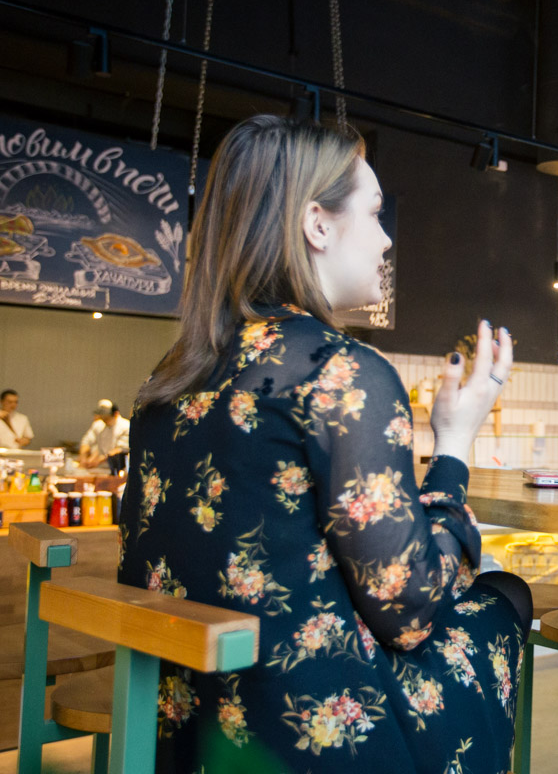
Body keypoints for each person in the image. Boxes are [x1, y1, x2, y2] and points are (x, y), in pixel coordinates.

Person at [118, 115, 532, 773]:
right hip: (313, 737)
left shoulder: (172, 378)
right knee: (506, 596)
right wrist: (453, 447)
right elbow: (411, 611)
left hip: (189, 732)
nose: (388, 240)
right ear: (317, 225)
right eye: (373, 213)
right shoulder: (341, 373)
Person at [79, 399, 130, 469]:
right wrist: (83, 458)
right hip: (100, 467)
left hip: (118, 467)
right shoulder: (98, 425)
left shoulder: (126, 426)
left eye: (107, 418)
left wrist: (99, 460)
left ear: (116, 414)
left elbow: (120, 449)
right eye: (102, 418)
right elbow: (86, 442)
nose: (104, 420)